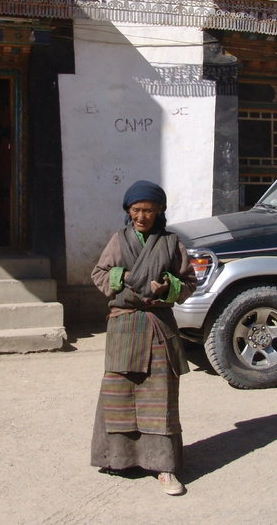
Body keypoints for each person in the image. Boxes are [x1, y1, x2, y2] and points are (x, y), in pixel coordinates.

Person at [90, 180, 198, 496]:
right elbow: (98, 274)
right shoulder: (118, 241)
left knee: (159, 398)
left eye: (148, 210)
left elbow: (190, 282)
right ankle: (119, 459)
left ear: (159, 211)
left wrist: (169, 287)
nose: (141, 217)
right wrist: (121, 276)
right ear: (128, 212)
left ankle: (164, 468)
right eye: (136, 210)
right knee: (119, 395)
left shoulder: (171, 243)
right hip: (124, 328)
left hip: (157, 328)